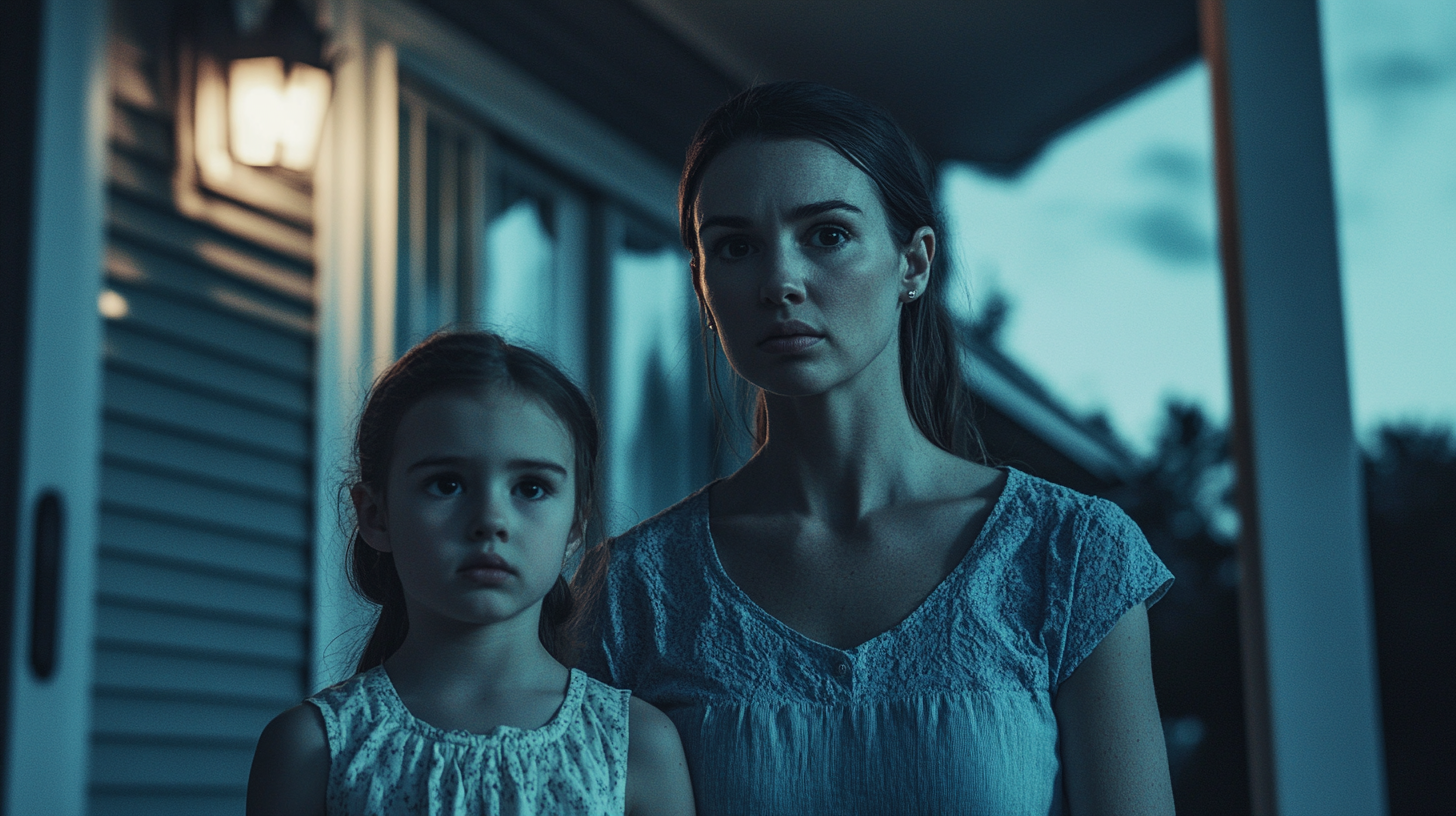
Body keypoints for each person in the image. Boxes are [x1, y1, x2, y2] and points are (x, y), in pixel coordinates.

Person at [575, 82, 1177, 815]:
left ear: (914, 263)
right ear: (703, 287)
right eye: (734, 247)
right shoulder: (635, 591)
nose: (780, 281)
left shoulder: (1069, 554)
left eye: (826, 234)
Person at [246, 331, 694, 816]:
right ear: (376, 515)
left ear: (575, 528)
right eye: (448, 483)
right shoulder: (315, 749)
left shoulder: (634, 748)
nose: (491, 521)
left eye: (530, 487)